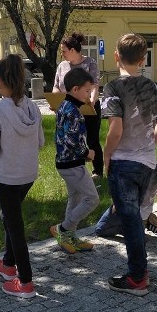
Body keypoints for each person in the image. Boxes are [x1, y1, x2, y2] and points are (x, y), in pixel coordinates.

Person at [102, 33, 157, 295]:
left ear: (116, 56)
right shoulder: (152, 86)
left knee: (130, 223)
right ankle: (141, 269)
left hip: (124, 164)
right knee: (137, 219)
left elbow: (115, 129)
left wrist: (108, 154)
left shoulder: (113, 87)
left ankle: (137, 278)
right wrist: (148, 142)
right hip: (147, 164)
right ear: (143, 59)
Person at [0, 54, 45, 299]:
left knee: (14, 225)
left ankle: (26, 281)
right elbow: (40, 142)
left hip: (8, 176)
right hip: (28, 174)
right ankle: (8, 264)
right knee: (11, 218)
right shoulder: (33, 108)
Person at [49, 67, 99, 254]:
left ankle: (70, 236)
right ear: (76, 90)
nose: (89, 94)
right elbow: (72, 140)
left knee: (75, 198)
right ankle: (62, 229)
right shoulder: (75, 112)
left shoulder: (64, 106)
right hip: (72, 164)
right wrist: (87, 153)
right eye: (87, 91)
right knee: (92, 199)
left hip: (64, 163)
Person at [52, 32, 103, 178]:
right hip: (68, 109)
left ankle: (97, 171)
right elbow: (56, 86)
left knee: (92, 139)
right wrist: (54, 101)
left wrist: (92, 100)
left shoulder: (90, 63)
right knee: (71, 137)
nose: (62, 54)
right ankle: (76, 168)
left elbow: (94, 85)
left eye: (64, 51)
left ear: (73, 50)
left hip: (88, 107)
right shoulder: (62, 66)